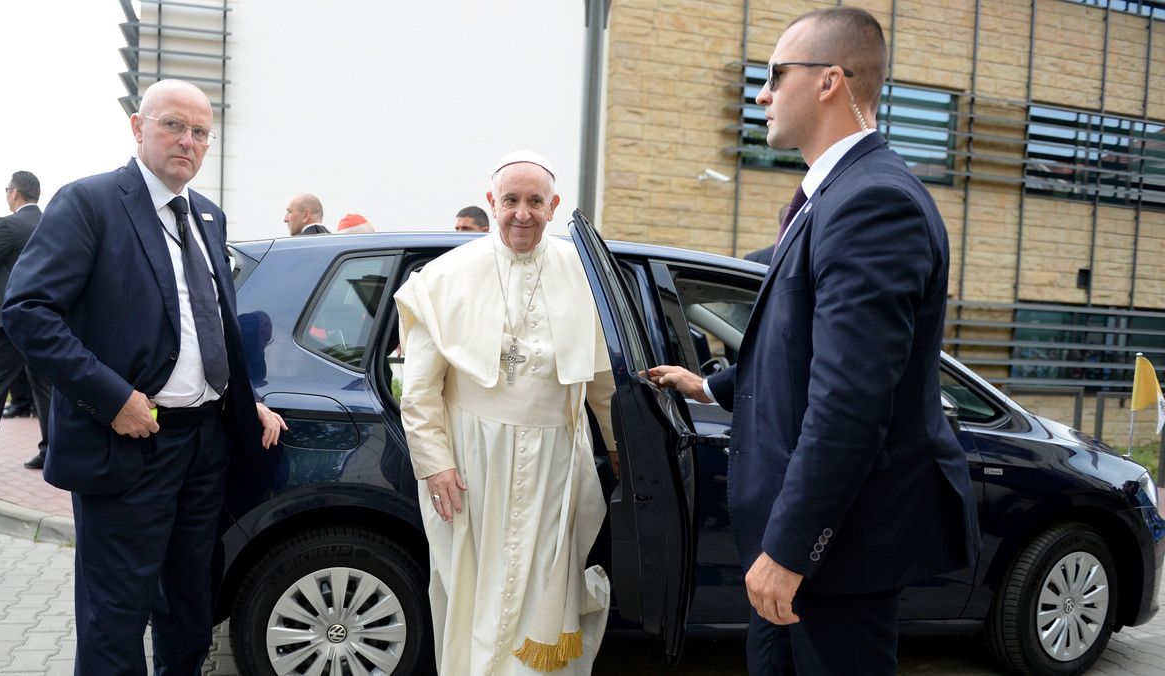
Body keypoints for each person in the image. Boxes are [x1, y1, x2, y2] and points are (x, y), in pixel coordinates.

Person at [648, 8, 980, 674]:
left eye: (774, 75)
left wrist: (795, 547)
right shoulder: (832, 198)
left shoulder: (873, 203)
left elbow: (851, 403)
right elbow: (796, 349)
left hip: (833, 556)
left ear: (830, 80)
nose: (762, 94)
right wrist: (711, 385)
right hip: (796, 549)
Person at [2, 79, 286, 674]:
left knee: (190, 608)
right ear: (138, 127)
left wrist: (245, 399)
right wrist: (112, 399)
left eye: (200, 132)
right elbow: (28, 311)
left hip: (205, 446)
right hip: (129, 442)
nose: (188, 141)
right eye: (173, 126)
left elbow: (216, 324)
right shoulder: (89, 203)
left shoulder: (207, 215)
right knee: (116, 618)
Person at [396, 150, 615, 674]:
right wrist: (436, 465)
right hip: (473, 463)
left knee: (542, 583)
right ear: (492, 202)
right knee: (475, 586)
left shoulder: (582, 276)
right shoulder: (446, 276)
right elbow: (420, 391)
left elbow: (602, 382)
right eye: (511, 200)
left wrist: (627, 454)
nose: (523, 213)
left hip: (555, 464)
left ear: (553, 205)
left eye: (535, 201)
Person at [0, 171, 53, 475]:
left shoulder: (8, 225)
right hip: (48, 321)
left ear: (15, 193)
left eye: (7, 190)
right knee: (45, 389)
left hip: (12, 320)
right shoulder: (53, 224)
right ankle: (52, 452)